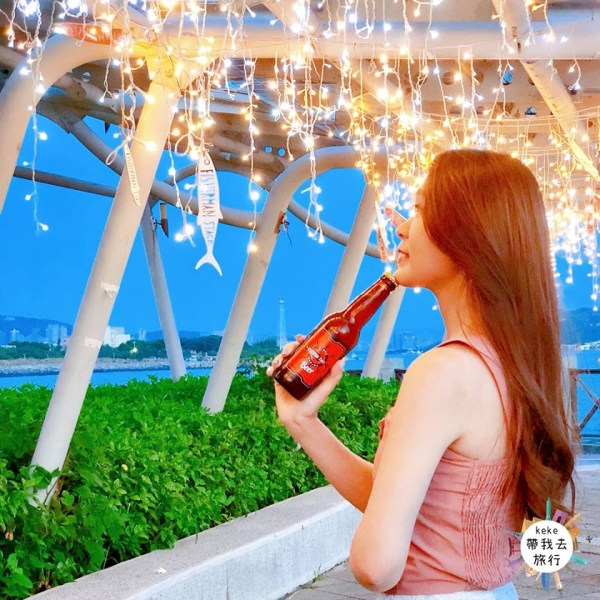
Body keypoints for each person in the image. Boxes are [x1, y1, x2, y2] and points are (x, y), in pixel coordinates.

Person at [266, 149, 578, 599]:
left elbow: (375, 567)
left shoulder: (441, 373)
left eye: (420, 208)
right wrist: (303, 422)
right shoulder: (512, 361)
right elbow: (411, 505)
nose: (401, 226)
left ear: (470, 233)